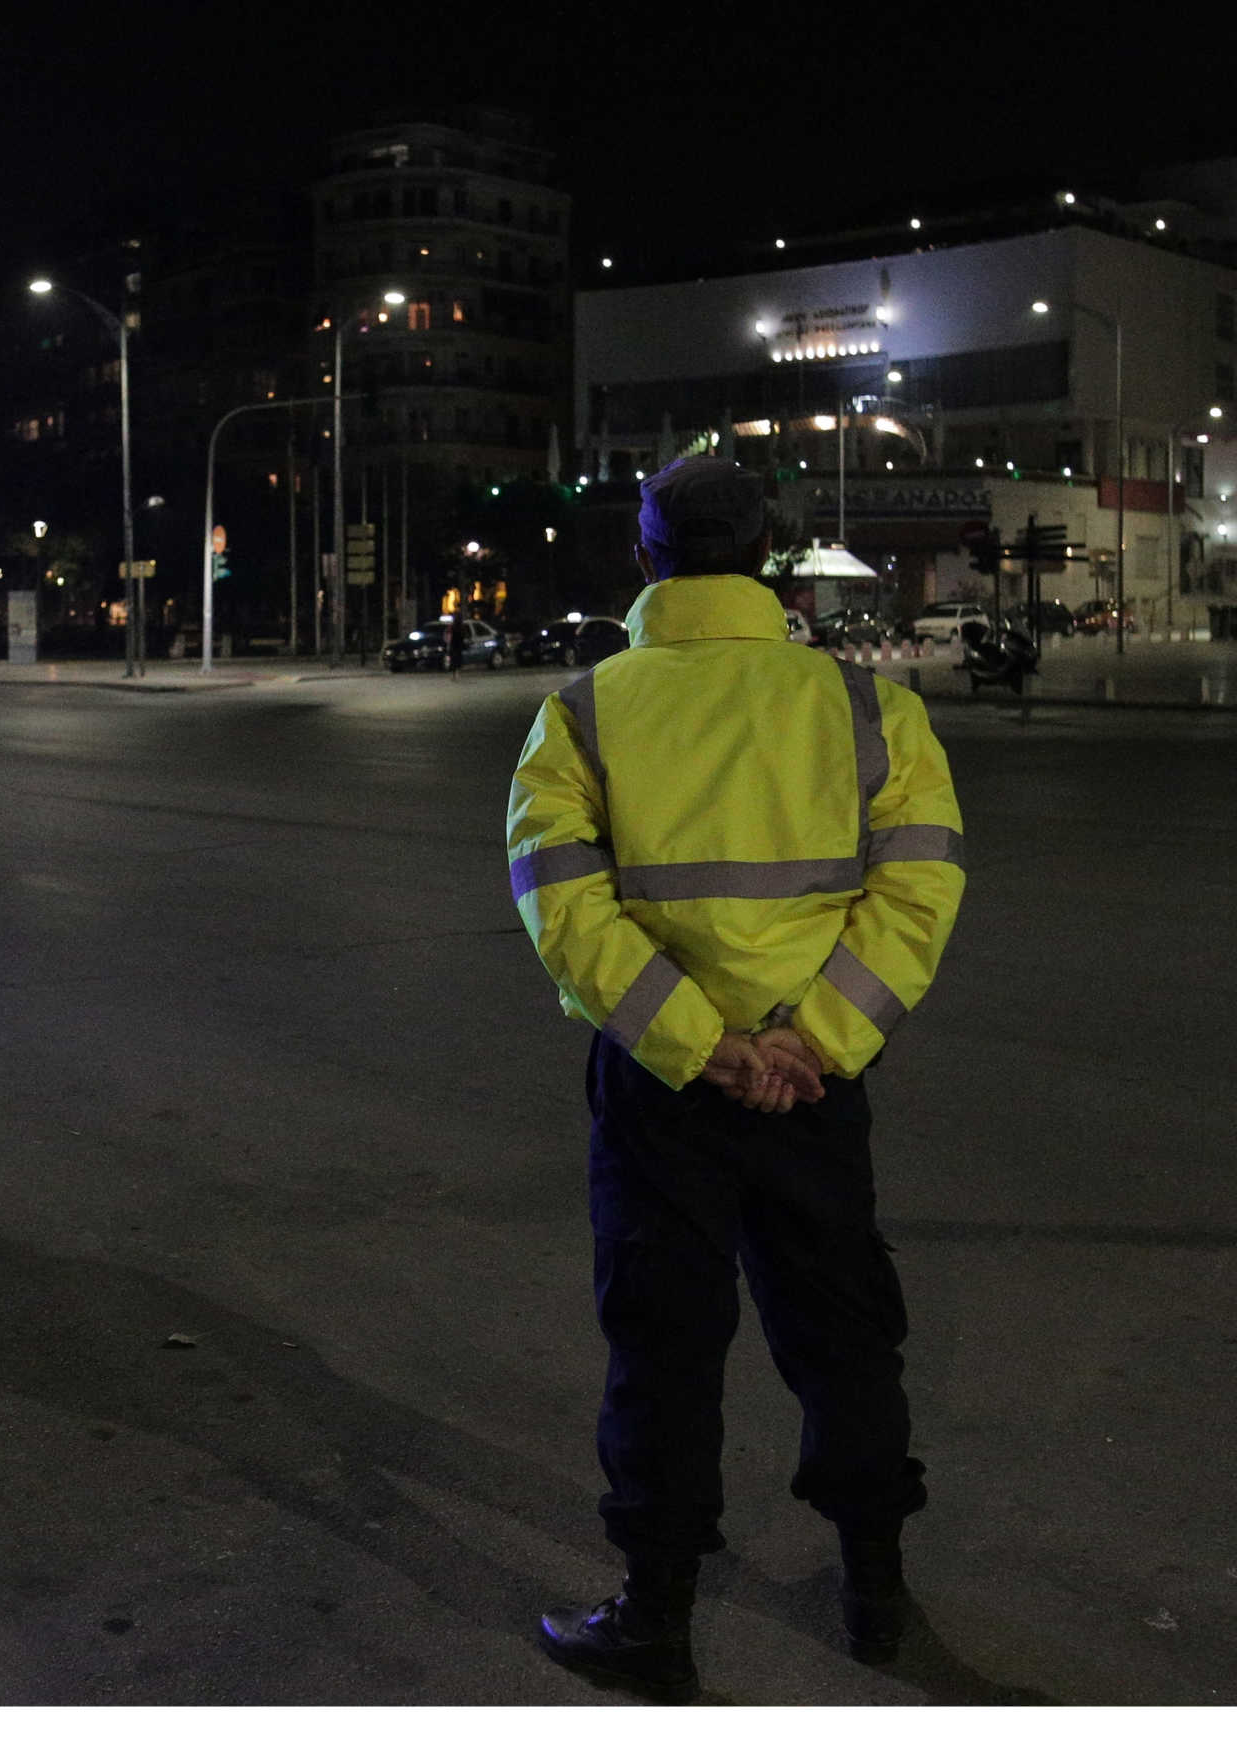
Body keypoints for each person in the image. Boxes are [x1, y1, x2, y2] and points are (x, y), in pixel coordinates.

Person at [504, 456, 966, 1701]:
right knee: (843, 1330)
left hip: (663, 1087)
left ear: (644, 556)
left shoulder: (584, 711)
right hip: (813, 1089)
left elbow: (563, 905)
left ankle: (655, 1618)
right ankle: (873, 1593)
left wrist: (700, 1045)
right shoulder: (866, 709)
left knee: (661, 1341)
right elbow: (919, 887)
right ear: (766, 556)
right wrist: (809, 1040)